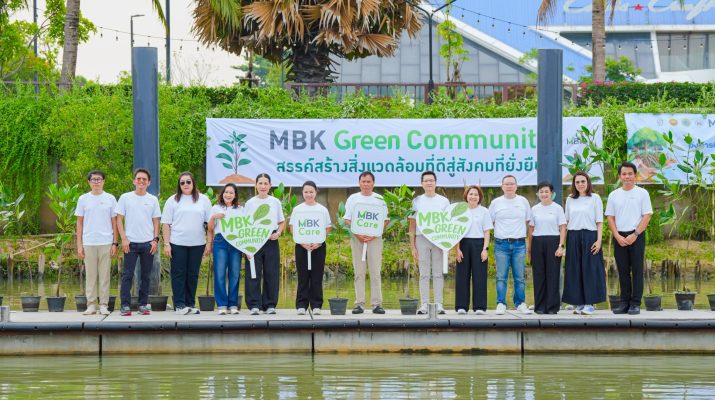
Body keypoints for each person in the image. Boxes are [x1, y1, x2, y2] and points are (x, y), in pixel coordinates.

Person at [161, 172, 212, 315]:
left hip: (198, 243)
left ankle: (190, 304)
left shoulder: (203, 200)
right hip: (177, 243)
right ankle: (179, 305)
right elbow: (166, 224)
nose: (185, 185)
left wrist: (209, 242)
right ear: (179, 185)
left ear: (193, 183)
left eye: (188, 182)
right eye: (182, 182)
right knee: (178, 274)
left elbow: (209, 224)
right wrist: (166, 244)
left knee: (193, 274)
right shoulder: (172, 200)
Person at [606, 162, 653, 315]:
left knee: (637, 270)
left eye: (630, 174)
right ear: (620, 176)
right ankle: (624, 302)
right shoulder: (614, 195)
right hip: (619, 236)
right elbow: (610, 217)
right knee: (623, 270)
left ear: (635, 175)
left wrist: (635, 234)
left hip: (636, 235)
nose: (627, 176)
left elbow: (647, 215)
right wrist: (617, 236)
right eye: (624, 174)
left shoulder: (642, 193)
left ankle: (635, 303)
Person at [116, 168, 161, 316]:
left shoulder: (153, 200)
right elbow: (119, 219)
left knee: (146, 276)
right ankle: (125, 305)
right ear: (134, 181)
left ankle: (142, 304)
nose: (141, 181)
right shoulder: (125, 198)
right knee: (127, 275)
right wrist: (123, 239)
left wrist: (155, 240)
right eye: (139, 179)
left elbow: (156, 221)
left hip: (148, 243)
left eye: (144, 179)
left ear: (149, 182)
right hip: (130, 243)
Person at [343, 171, 389, 314]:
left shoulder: (379, 199)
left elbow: (385, 220)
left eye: (369, 182)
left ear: (373, 183)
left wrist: (374, 234)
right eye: (363, 182)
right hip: (357, 238)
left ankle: (377, 304)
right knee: (359, 272)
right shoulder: (353, 199)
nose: (366, 184)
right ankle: (359, 304)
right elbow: (347, 220)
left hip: (375, 239)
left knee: (375, 272)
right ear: (359, 183)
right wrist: (358, 234)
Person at [562, 172, 606, 315]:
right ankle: (579, 302)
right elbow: (566, 221)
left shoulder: (595, 198)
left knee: (590, 269)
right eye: (577, 182)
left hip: (590, 236)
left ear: (588, 182)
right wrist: (563, 243)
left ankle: (590, 303)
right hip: (573, 236)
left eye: (583, 181)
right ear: (574, 184)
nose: (580, 184)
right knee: (574, 269)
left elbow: (599, 221)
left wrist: (599, 241)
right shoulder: (570, 199)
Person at [75, 170, 118, 316]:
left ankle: (104, 305)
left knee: (105, 275)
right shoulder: (83, 199)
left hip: (106, 242)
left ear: (104, 181)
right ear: (89, 182)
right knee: (91, 275)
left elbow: (115, 222)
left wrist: (115, 243)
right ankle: (91, 305)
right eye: (93, 179)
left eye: (99, 179)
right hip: (88, 242)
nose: (96, 182)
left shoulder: (110, 199)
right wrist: (79, 245)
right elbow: (79, 223)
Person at [489, 175, 533, 315]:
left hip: (519, 244)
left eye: (512, 184)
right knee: (501, 276)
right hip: (501, 244)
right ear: (502, 186)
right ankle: (501, 303)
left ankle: (520, 303)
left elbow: (527, 221)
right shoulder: (495, 203)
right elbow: (491, 222)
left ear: (516, 186)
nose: (509, 186)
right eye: (506, 184)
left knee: (519, 277)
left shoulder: (523, 201)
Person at [409, 171, 450, 315]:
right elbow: (412, 225)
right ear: (422, 184)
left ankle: (439, 304)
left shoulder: (444, 201)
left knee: (438, 273)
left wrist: (447, 244)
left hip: (439, 239)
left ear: (436, 183)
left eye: (431, 180)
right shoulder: (416, 201)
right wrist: (412, 246)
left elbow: (448, 223)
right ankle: (424, 304)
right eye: (426, 181)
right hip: (422, 239)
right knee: (424, 274)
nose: (429, 183)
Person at [245, 173, 285, 315]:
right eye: (260, 183)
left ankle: (270, 304)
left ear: (270, 185)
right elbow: (245, 225)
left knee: (271, 272)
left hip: (271, 240)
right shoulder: (250, 203)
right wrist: (246, 247)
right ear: (256, 185)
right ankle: (254, 304)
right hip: (253, 240)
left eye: (265, 183)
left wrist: (278, 233)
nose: (263, 186)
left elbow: (281, 222)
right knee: (253, 272)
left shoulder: (275, 202)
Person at [289, 181, 331, 315]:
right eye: (306, 192)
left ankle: (316, 305)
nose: (308, 194)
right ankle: (301, 305)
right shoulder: (298, 209)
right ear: (302, 193)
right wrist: (302, 242)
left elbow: (327, 228)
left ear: (316, 192)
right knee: (303, 276)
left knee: (317, 276)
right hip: (301, 246)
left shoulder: (322, 210)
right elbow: (292, 227)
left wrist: (318, 242)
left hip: (318, 247)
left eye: (311, 192)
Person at [528, 181, 566, 315]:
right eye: (541, 192)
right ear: (538, 194)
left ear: (552, 193)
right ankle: (540, 306)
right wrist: (529, 249)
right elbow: (531, 229)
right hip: (537, 241)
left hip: (553, 241)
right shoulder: (534, 209)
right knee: (538, 275)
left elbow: (563, 228)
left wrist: (561, 246)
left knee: (553, 274)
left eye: (546, 192)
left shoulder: (557, 208)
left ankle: (552, 307)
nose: (544, 194)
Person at [455, 185, 492, 315]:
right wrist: (457, 249)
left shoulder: (484, 211)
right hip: (463, 243)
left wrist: (485, 249)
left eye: (476, 194)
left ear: (479, 197)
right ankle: (461, 306)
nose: (473, 196)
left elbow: (487, 232)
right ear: (466, 196)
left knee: (479, 276)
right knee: (462, 276)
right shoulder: (460, 210)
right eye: (471, 194)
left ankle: (479, 306)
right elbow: (456, 231)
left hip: (479, 244)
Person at [207, 183, 243, 315]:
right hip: (220, 241)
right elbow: (210, 228)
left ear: (235, 195)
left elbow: (244, 228)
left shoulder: (240, 209)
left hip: (236, 243)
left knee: (235, 274)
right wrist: (213, 217)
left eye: (231, 192)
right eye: (226, 192)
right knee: (220, 273)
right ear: (222, 194)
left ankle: (233, 304)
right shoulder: (216, 208)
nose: (228, 194)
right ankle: (222, 304)